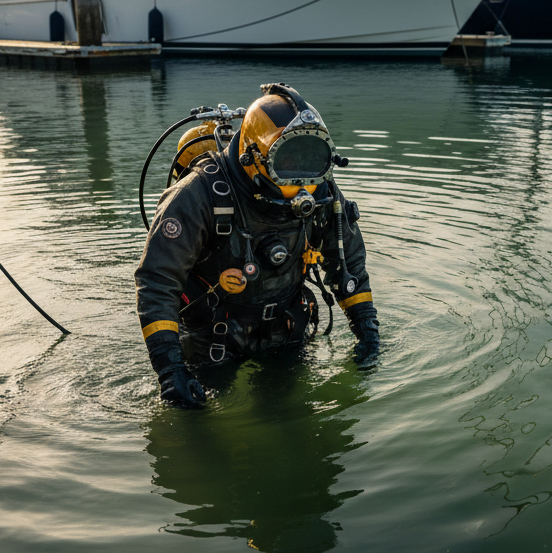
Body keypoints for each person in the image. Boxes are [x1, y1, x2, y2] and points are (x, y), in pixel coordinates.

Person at [136, 83, 380, 407]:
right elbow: (157, 282)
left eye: (310, 161)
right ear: (253, 157)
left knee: (290, 413)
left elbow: (346, 261)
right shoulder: (200, 195)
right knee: (202, 416)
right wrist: (170, 371)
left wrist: (367, 331)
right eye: (286, 163)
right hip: (215, 337)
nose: (302, 186)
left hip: (287, 329)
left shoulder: (321, 191)